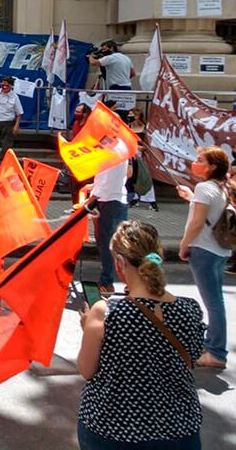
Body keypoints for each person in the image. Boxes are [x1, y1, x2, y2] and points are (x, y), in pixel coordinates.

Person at [77, 221, 204, 450]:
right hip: (179, 429)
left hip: (113, 429)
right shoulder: (190, 309)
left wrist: (89, 327)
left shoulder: (105, 313)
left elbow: (87, 370)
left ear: (119, 263)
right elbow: (192, 359)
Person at [176, 146, 232, 369]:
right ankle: (213, 345)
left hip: (204, 250)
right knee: (216, 301)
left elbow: (198, 223)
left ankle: (216, 353)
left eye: (200, 159)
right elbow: (210, 212)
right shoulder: (222, 187)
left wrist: (183, 244)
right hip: (219, 250)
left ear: (212, 167)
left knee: (214, 303)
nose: (195, 162)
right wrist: (191, 198)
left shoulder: (203, 187)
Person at [88, 152, 131, 294]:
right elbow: (105, 180)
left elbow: (106, 183)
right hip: (113, 199)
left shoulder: (112, 153)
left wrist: (90, 201)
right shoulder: (118, 151)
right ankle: (130, 282)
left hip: (110, 201)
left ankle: (107, 282)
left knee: (109, 245)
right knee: (116, 244)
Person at [88, 40, 135, 120]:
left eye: (104, 49)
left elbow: (93, 62)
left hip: (116, 88)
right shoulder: (126, 58)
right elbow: (133, 73)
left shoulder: (111, 57)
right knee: (125, 113)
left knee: (114, 112)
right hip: (127, 88)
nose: (102, 51)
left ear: (111, 48)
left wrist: (90, 56)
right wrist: (123, 79)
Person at [125, 108, 158, 211]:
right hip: (130, 155)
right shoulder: (128, 127)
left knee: (144, 176)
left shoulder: (145, 128)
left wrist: (139, 147)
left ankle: (151, 200)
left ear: (138, 116)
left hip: (141, 156)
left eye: (132, 115)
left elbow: (148, 145)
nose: (129, 117)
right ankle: (134, 198)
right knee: (132, 177)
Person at [67, 103, 92, 207]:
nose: (76, 114)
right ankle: (75, 206)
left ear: (85, 114)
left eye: (78, 112)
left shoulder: (90, 125)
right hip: (76, 158)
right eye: (75, 111)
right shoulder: (76, 123)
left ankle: (86, 208)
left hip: (87, 158)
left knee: (85, 185)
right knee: (74, 185)